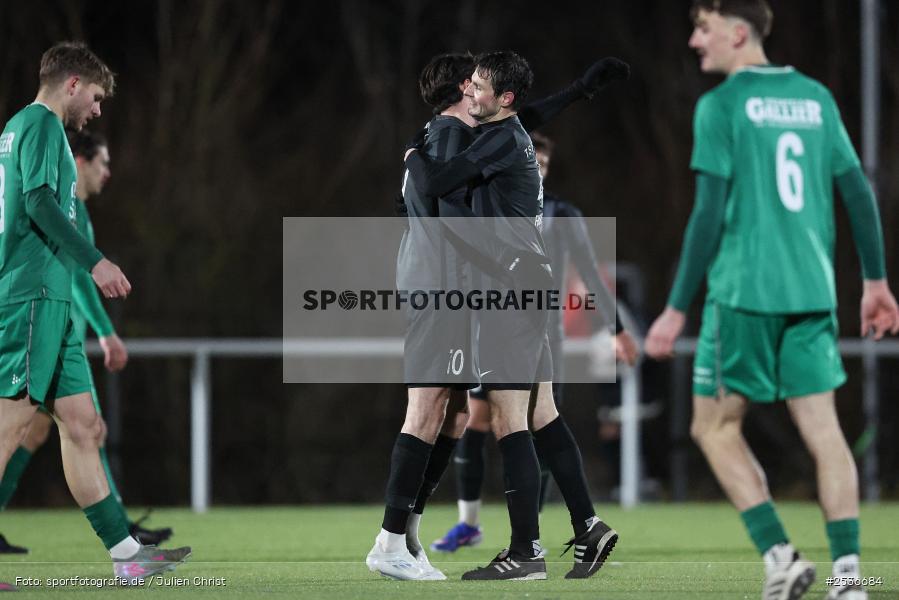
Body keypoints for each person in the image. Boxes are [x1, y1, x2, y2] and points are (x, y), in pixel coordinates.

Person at [644, 3, 899, 599]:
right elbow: (857, 191)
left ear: (738, 32)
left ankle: (781, 556)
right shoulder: (816, 97)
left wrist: (677, 306)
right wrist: (876, 282)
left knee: (713, 427)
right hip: (812, 293)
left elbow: (708, 214)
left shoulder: (722, 105)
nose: (693, 40)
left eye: (704, 28)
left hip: (744, 296)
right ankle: (848, 580)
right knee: (826, 433)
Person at [367, 51, 630, 582]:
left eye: (485, 84)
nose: (478, 91)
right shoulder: (448, 136)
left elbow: (516, 124)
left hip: (494, 289)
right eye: (474, 83)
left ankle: (511, 544)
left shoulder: (466, 137)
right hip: (452, 289)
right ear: (464, 92)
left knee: (487, 414)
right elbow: (443, 193)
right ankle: (396, 539)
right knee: (456, 411)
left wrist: (579, 89)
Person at [0, 41, 189, 583]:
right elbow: (36, 202)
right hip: (31, 294)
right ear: (74, 84)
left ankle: (127, 557)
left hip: (52, 300)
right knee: (10, 425)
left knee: (84, 426)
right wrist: (95, 261)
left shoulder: (30, 129)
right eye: (98, 98)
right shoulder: (37, 124)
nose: (99, 111)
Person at [432, 132, 638, 555]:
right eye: (531, 163)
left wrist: (616, 328)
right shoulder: (494, 209)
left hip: (543, 336)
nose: (536, 171)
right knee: (479, 422)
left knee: (538, 424)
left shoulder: (562, 215)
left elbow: (591, 277)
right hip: (490, 328)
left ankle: (534, 534)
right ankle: (472, 523)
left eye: (542, 164)